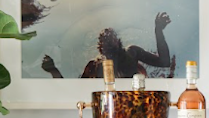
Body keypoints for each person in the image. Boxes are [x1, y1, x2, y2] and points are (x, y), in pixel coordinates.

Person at [41, 12, 175, 79]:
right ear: (100, 48)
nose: (109, 39)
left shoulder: (132, 53)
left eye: (111, 37)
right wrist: (54, 70)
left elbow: (164, 62)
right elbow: (76, 93)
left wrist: (158, 31)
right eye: (105, 40)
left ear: (118, 41)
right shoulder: (94, 67)